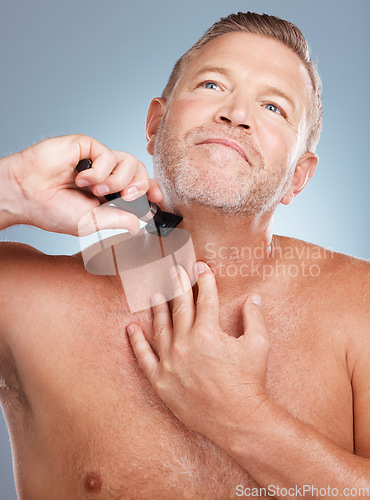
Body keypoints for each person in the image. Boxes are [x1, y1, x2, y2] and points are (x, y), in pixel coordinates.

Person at [0, 10, 369, 499]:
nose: (235, 113)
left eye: (273, 107)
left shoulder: (359, 305)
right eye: (213, 85)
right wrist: (12, 189)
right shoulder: (28, 301)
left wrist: (243, 419)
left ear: (297, 178)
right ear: (155, 124)